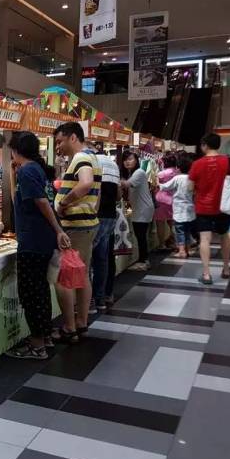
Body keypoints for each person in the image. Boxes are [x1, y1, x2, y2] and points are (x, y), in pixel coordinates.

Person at [5, 132, 70, 360]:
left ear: (16, 150)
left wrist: (59, 230)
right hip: (38, 239)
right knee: (40, 290)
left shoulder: (28, 171)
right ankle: (45, 336)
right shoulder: (34, 170)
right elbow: (18, 201)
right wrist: (12, 174)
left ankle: (37, 344)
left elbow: (42, 203)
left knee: (30, 293)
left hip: (33, 240)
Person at [52, 122, 101, 344]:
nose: (58, 147)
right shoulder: (91, 157)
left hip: (76, 227)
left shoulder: (81, 158)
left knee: (64, 278)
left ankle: (69, 328)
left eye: (60, 141)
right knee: (82, 275)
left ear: (73, 137)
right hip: (85, 224)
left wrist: (64, 203)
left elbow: (86, 183)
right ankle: (81, 323)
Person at [189, 133, 230, 284]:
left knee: (205, 239)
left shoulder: (197, 164)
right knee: (224, 235)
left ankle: (206, 275)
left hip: (203, 207)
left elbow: (190, 188)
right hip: (223, 207)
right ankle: (226, 269)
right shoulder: (227, 161)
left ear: (204, 145)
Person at [90, 145, 120, 314]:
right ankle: (100, 299)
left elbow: (94, 190)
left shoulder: (91, 161)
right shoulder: (113, 164)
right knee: (102, 259)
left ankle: (89, 302)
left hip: (95, 215)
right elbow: (118, 195)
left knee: (87, 260)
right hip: (110, 215)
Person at [120, 151, 155, 271]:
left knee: (140, 235)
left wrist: (112, 178)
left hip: (143, 209)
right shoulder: (133, 173)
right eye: (125, 160)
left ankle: (144, 261)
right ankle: (142, 259)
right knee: (140, 235)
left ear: (136, 160)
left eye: (130, 159)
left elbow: (127, 184)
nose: (127, 162)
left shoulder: (139, 172)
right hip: (139, 208)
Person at [159, 154, 196, 259]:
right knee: (187, 231)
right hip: (190, 210)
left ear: (178, 168)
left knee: (179, 231)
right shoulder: (191, 178)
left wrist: (158, 184)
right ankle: (187, 249)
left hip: (179, 210)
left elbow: (166, 187)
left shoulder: (177, 178)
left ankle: (181, 251)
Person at [154, 153, 178, 251]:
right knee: (172, 222)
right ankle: (174, 242)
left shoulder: (162, 174)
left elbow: (155, 184)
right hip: (173, 199)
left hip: (161, 199)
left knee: (160, 222)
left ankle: (162, 244)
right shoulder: (177, 172)